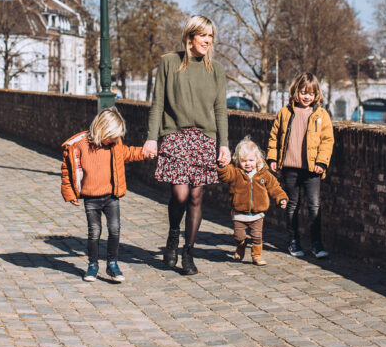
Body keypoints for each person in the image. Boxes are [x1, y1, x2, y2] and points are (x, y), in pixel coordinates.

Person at [143, 15, 230, 276]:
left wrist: (224, 145)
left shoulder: (216, 70)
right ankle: (173, 234)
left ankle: (188, 252)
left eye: (211, 36)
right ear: (190, 36)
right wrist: (151, 137)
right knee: (180, 195)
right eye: (203, 35)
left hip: (205, 138)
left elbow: (221, 109)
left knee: (196, 196)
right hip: (176, 136)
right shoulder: (169, 62)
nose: (208, 40)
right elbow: (158, 102)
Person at [60, 107, 147, 283]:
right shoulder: (80, 146)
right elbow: (67, 171)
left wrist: (144, 153)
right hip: (91, 198)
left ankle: (112, 263)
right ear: (103, 130)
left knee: (114, 230)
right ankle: (93, 265)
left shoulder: (115, 145)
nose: (116, 140)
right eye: (113, 136)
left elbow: (128, 153)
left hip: (111, 197)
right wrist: (70, 193)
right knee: (94, 232)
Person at [267, 72, 335, 258]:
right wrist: (272, 158)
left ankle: (316, 243)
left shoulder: (321, 115)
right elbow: (274, 137)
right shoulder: (285, 112)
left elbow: (327, 141)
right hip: (290, 166)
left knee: (314, 206)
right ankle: (293, 241)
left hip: (313, 169)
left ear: (316, 95)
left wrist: (322, 162)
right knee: (292, 205)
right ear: (296, 92)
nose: (307, 97)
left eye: (311, 94)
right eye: (303, 92)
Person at [217, 137, 287, 266]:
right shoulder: (235, 172)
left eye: (251, 160)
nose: (248, 163)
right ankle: (240, 246)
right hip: (239, 212)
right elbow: (224, 176)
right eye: (244, 161)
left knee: (257, 236)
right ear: (238, 160)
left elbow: (274, 187)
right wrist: (222, 166)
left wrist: (281, 198)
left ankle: (257, 255)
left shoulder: (263, 174)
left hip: (257, 213)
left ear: (258, 160)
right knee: (239, 236)